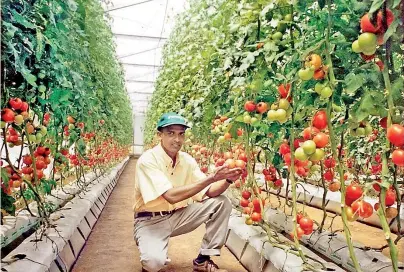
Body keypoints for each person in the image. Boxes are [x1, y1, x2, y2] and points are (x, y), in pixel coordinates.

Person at [133, 112, 242, 272]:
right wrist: (212, 177)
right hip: (150, 221)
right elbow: (170, 196)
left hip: (178, 216)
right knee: (153, 263)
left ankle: (203, 260)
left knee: (221, 203)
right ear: (159, 135)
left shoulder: (187, 160)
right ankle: (153, 252)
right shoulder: (148, 160)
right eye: (171, 133)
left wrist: (228, 179)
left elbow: (210, 192)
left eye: (181, 134)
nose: (177, 139)